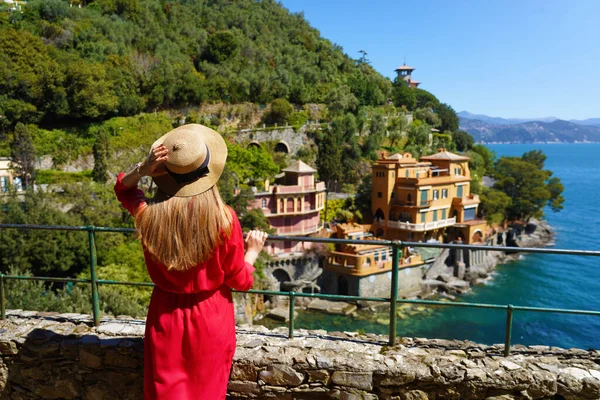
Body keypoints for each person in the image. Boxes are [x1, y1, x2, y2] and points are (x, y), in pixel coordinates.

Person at [114, 124, 268, 399]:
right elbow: (238, 280)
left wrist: (142, 170)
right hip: (211, 319)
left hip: (165, 318)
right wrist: (252, 252)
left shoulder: (149, 216)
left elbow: (124, 190)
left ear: (164, 175)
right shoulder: (224, 219)